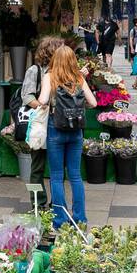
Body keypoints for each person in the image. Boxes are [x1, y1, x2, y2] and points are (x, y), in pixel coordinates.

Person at [37, 46, 98, 227]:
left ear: (55, 60)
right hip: (75, 131)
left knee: (56, 176)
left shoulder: (50, 77)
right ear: (73, 60)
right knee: (75, 176)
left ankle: (60, 220)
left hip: (55, 130)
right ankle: (80, 218)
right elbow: (93, 103)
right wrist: (77, 108)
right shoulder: (79, 78)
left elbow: (42, 101)